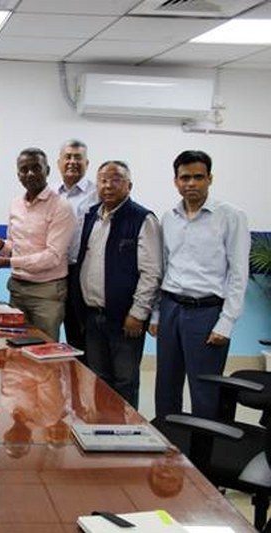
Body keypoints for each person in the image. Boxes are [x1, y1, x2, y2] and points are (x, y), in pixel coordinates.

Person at [150, 150, 250, 419]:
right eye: (185, 178)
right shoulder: (169, 217)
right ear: (176, 181)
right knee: (166, 384)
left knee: (205, 389)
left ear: (210, 179)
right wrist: (157, 313)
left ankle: (205, 445)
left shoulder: (231, 216)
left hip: (206, 312)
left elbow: (239, 273)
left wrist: (226, 322)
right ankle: (168, 438)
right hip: (171, 307)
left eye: (198, 177)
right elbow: (164, 267)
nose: (191, 183)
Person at [73, 161, 162, 408]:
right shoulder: (91, 215)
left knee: (125, 381)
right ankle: (102, 426)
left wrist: (138, 313)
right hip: (93, 315)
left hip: (125, 319)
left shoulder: (142, 219)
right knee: (99, 380)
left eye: (116, 180)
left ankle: (127, 430)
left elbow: (152, 272)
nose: (108, 186)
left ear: (129, 186)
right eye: (103, 180)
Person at [0, 148, 75, 341]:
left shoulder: (61, 207)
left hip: (46, 293)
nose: (30, 174)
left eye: (36, 168)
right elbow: (15, 248)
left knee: (43, 348)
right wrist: (0, 244)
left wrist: (7, 263)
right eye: (24, 169)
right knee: (14, 346)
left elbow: (52, 257)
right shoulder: (15, 204)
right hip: (17, 289)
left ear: (47, 170)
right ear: (18, 175)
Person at [56, 139, 97, 350]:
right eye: (68, 157)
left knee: (86, 332)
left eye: (78, 157)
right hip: (56, 271)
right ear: (59, 163)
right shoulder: (51, 194)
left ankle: (87, 368)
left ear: (86, 163)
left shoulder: (98, 193)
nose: (72, 162)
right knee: (67, 327)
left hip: (84, 271)